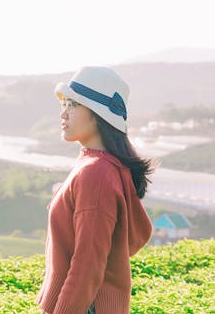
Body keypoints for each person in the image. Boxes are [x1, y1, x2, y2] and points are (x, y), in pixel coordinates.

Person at [36, 66, 154, 314]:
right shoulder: (97, 165)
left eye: (73, 105)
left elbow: (87, 264)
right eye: (64, 104)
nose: (63, 113)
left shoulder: (96, 173)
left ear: (99, 114)